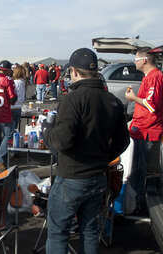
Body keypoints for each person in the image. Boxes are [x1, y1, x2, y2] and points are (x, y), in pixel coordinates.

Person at [43, 48, 130, 253]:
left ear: (73, 72)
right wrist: (103, 157)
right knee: (90, 231)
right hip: (98, 176)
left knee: (58, 232)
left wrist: (47, 131)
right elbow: (123, 141)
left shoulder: (73, 99)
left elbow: (61, 142)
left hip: (72, 177)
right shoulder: (113, 101)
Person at [125, 48, 163, 214]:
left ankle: (138, 205)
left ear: (144, 60)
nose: (135, 61)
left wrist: (133, 98)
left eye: (136, 59)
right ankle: (137, 203)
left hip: (147, 131)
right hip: (143, 129)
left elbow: (152, 105)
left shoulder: (154, 78)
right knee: (138, 168)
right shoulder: (152, 77)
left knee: (139, 169)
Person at [11, 65, 26, 130]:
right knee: (14, 129)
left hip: (12, 107)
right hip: (19, 107)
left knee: (9, 132)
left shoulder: (14, 82)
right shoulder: (22, 82)